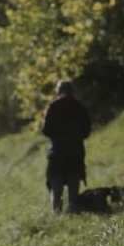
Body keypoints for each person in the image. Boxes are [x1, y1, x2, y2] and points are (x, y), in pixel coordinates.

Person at [42, 79, 92, 213]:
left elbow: (46, 130)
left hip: (57, 152)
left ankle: (57, 214)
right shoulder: (80, 107)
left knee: (56, 187)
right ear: (72, 91)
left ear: (58, 91)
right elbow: (86, 132)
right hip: (75, 152)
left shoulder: (52, 107)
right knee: (73, 185)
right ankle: (73, 211)